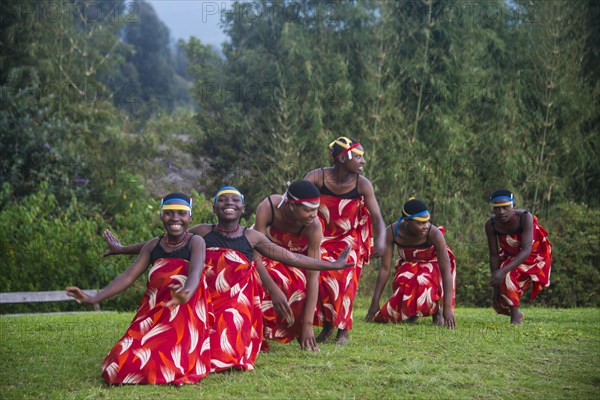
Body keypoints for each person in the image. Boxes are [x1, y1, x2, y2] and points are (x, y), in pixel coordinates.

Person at [102, 186, 352, 371]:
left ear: (243, 209)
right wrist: (122, 249)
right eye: (222, 200)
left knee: (229, 349)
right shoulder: (201, 233)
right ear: (214, 208)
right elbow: (163, 243)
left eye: (235, 200)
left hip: (237, 302)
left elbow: (292, 258)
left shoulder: (252, 237)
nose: (228, 203)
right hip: (206, 299)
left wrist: (332, 264)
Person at [66, 193, 212, 385]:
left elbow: (195, 271)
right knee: (117, 365)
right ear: (161, 216)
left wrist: (185, 293)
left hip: (184, 315)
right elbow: (127, 276)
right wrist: (94, 298)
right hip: (153, 313)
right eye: (169, 213)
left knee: (164, 365)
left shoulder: (196, 242)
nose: (175, 218)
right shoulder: (153, 245)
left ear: (190, 217)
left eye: (181, 213)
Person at [304, 136, 386, 344]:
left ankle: (344, 330)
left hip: (349, 239)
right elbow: (296, 199)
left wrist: (381, 241)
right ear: (342, 158)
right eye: (357, 156)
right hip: (319, 238)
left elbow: (377, 217)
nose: (363, 161)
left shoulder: (362, 184)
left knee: (345, 275)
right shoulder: (316, 177)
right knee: (318, 276)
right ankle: (328, 325)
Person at [253, 180, 323, 352]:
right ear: (292, 205)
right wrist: (273, 290)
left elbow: (313, 273)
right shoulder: (268, 207)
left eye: (316, 209)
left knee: (298, 283)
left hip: (295, 261)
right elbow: (255, 254)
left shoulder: (314, 226)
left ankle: (294, 329)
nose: (314, 214)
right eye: (308, 209)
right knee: (254, 277)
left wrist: (307, 325)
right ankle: (255, 333)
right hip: (263, 256)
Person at [365, 198, 456, 329]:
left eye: (427, 221)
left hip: (434, 264)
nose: (426, 225)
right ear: (407, 221)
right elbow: (385, 269)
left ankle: (436, 311)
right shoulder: (392, 232)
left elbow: (446, 271)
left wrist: (448, 308)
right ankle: (413, 311)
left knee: (422, 278)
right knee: (403, 280)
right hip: (409, 263)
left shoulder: (434, 233)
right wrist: (374, 302)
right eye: (420, 223)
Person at [485, 189, 552, 324]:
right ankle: (517, 314)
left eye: (506, 207)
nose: (501, 212)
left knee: (508, 273)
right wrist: (496, 283)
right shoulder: (491, 224)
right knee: (498, 300)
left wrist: (502, 271)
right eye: (497, 208)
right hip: (510, 253)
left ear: (513, 206)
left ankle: (515, 319)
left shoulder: (525, 217)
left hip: (533, 253)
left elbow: (526, 250)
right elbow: (493, 255)